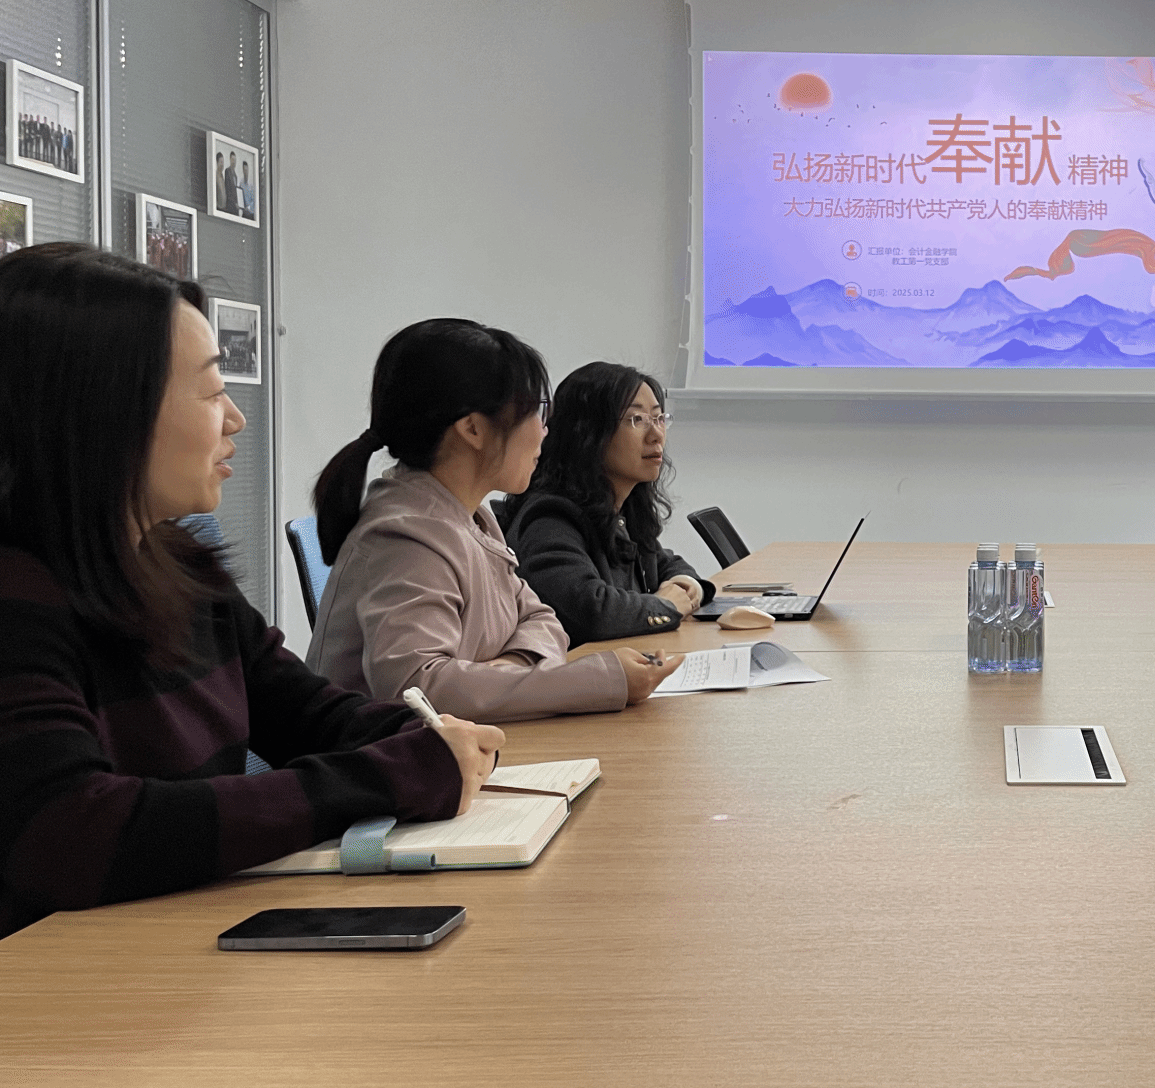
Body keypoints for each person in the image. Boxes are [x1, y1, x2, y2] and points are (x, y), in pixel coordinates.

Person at [0, 244, 504, 936]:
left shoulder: (182, 567)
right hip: (63, 979)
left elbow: (306, 712)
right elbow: (72, 834)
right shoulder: (18, 598)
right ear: (105, 410)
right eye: (212, 392)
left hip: (174, 942)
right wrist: (381, 776)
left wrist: (413, 735)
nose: (235, 419)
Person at [307, 320, 682, 720]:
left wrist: (501, 674)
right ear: (473, 428)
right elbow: (416, 691)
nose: (544, 431)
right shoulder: (407, 536)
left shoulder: (470, 516)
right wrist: (601, 680)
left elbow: (542, 620)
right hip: (380, 756)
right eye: (534, 412)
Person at [499, 362, 716, 648]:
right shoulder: (549, 519)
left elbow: (666, 563)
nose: (656, 434)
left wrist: (687, 585)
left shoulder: (620, 508)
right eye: (637, 420)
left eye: (659, 418)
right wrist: (666, 606)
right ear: (588, 433)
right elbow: (592, 612)